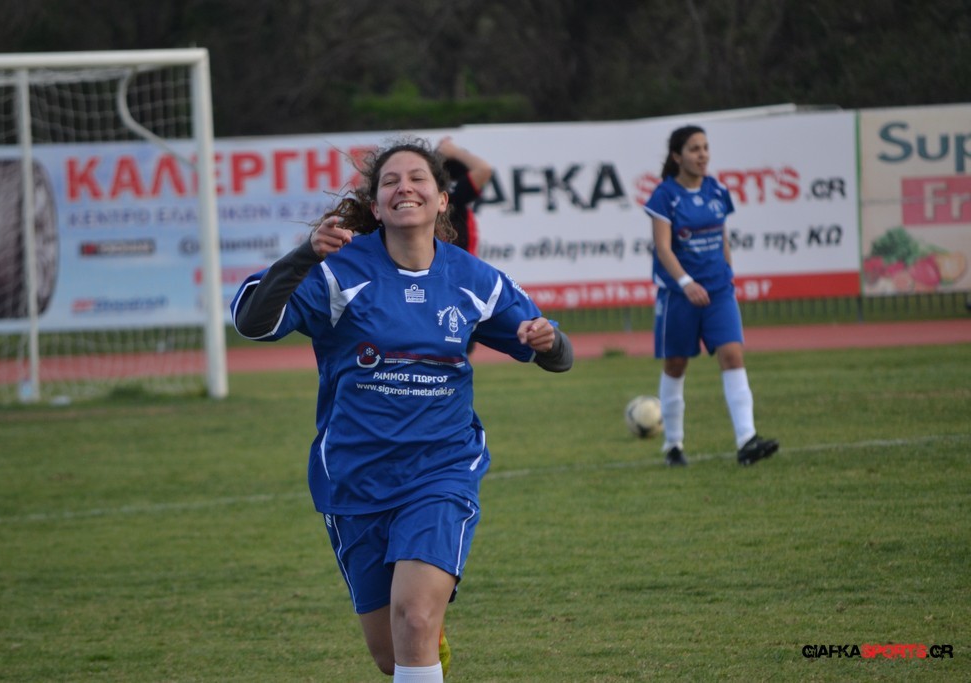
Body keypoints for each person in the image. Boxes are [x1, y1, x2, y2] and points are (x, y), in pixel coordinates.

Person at [231, 137, 573, 681]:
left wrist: (548, 340)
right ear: (375, 205)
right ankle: (424, 645)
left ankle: (424, 624)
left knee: (413, 618)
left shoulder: (474, 280)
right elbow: (252, 323)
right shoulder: (338, 271)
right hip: (355, 478)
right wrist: (304, 255)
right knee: (392, 654)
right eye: (390, 181)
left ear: (442, 199)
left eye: (417, 179)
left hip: (441, 469)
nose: (403, 188)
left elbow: (557, 355)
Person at [643, 125, 777, 467]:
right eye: (694, 149)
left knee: (732, 356)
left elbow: (722, 237)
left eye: (705, 147)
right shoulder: (665, 196)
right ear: (677, 157)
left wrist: (728, 273)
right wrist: (686, 283)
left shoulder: (717, 190)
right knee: (675, 364)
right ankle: (673, 446)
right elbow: (663, 248)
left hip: (718, 291)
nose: (702, 155)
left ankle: (747, 440)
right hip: (679, 295)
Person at [435, 136, 493, 256]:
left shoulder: (447, 196)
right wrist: (455, 152)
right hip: (459, 264)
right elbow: (484, 169)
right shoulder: (454, 197)